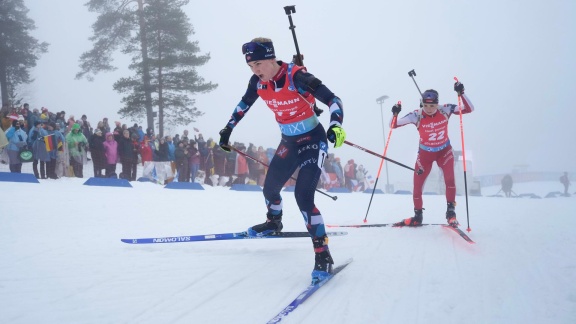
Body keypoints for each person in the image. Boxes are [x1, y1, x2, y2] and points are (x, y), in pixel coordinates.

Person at [218, 37, 346, 284]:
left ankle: (323, 254)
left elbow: (334, 100)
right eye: (251, 66)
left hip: (312, 141)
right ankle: (274, 222)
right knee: (270, 188)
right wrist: (227, 129)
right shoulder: (257, 82)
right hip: (289, 142)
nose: (255, 71)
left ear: (270, 58)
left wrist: (336, 125)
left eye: (258, 64)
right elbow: (244, 104)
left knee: (303, 197)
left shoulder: (296, 76)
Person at [392, 81, 474, 227]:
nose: (429, 109)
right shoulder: (416, 115)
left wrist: (461, 93)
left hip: (444, 152)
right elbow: (394, 125)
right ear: (422, 104)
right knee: (417, 187)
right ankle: (418, 216)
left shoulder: (445, 109)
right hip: (425, 156)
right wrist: (395, 113)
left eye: (432, 105)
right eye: (426, 105)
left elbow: (469, 109)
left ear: (437, 104)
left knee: (450, 180)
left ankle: (451, 213)